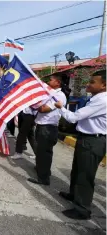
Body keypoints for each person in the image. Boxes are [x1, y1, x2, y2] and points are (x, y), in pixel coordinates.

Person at [54, 70, 106, 220]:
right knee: (77, 170)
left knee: (85, 175)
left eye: (92, 82)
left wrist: (60, 107)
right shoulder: (95, 98)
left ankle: (82, 209)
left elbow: (74, 117)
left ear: (104, 85)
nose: (88, 84)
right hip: (86, 138)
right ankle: (74, 195)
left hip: (93, 140)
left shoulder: (102, 101)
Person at [27, 74, 67, 186]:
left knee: (45, 153)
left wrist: (36, 104)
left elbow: (44, 109)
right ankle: (41, 170)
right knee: (40, 152)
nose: (48, 82)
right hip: (42, 126)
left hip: (48, 128)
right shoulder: (51, 94)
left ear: (58, 83)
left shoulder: (59, 96)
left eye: (51, 80)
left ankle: (43, 178)